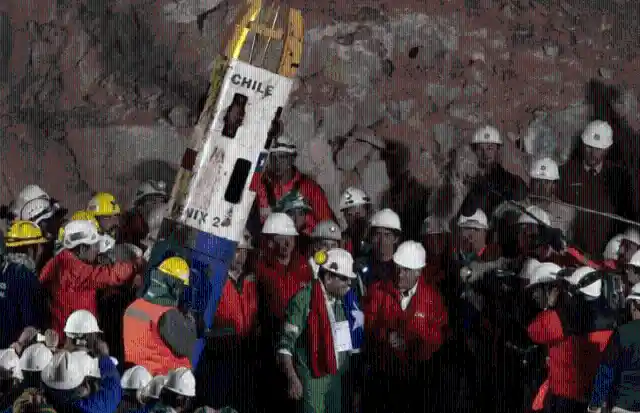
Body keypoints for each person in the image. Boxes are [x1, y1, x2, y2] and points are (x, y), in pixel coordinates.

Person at [364, 241, 449, 413]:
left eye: (406, 270)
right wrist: (385, 335)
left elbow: (440, 336)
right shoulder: (378, 291)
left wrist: (413, 341)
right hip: (383, 375)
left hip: (418, 378)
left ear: (418, 271)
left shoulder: (432, 298)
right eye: (398, 268)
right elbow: (366, 324)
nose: (400, 274)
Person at [276, 248, 360, 413]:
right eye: (344, 279)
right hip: (311, 383)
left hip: (335, 381)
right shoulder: (304, 299)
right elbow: (285, 345)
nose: (349, 284)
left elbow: (344, 347)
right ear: (328, 277)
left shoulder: (339, 302)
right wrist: (292, 378)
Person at [39, 220, 145, 337]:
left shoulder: (58, 260)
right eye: (95, 245)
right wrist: (136, 265)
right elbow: (109, 275)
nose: (97, 250)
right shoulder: (74, 270)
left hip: (61, 330)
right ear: (83, 248)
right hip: (74, 338)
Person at [122, 256, 196, 375]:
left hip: (138, 375)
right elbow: (185, 347)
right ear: (176, 287)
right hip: (165, 379)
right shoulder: (168, 314)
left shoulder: (134, 306)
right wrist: (190, 323)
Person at [251, 136, 334, 232]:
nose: (277, 162)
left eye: (282, 157)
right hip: (269, 240)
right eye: (274, 157)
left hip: (303, 242)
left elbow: (327, 226)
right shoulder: (262, 183)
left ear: (292, 159)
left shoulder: (309, 188)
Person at [588, 283, 640, 413]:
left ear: (635, 305)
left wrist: (595, 404)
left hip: (624, 404)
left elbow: (606, 371)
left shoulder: (623, 332)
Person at [0, 220, 47, 347]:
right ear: (31, 249)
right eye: (40, 246)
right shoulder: (26, 276)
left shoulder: (5, 269)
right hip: (13, 354)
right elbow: (31, 326)